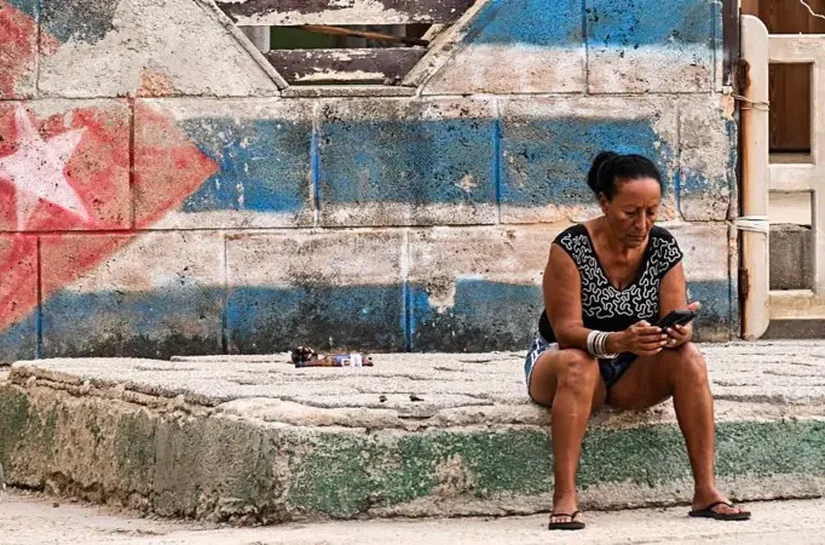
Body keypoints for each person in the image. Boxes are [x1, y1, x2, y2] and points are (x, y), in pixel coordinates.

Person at [525, 152, 751, 531]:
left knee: (690, 357)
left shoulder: (663, 249)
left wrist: (678, 332)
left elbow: (676, 319)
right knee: (578, 362)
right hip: (566, 364)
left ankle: (706, 491)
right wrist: (616, 341)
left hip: (632, 370)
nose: (642, 223)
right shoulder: (570, 248)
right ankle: (565, 495)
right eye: (630, 213)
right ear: (604, 203)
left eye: (651, 211)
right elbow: (566, 332)